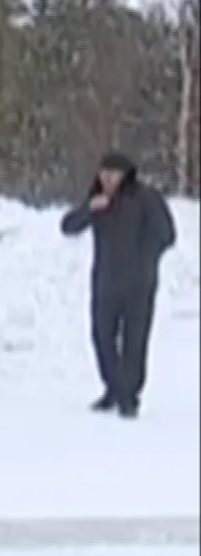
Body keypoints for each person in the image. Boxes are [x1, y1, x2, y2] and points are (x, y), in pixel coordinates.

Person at [60, 152, 177, 419]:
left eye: (113, 174)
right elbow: (68, 226)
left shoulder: (146, 198)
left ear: (126, 175)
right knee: (102, 336)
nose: (107, 179)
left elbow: (166, 234)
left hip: (140, 283)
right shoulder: (98, 201)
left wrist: (145, 259)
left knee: (134, 341)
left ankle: (130, 395)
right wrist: (89, 209)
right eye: (103, 174)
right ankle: (113, 387)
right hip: (105, 281)